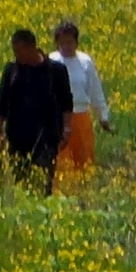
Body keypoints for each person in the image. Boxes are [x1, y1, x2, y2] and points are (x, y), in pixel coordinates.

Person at [0, 27, 71, 186]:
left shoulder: (56, 71)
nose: (18, 56)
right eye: (15, 52)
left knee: (44, 183)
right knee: (20, 183)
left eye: (20, 52)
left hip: (47, 137)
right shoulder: (12, 71)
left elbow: (66, 103)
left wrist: (67, 131)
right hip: (17, 138)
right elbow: (1, 103)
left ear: (32, 47)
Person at [50, 19, 109, 179]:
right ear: (57, 43)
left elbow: (95, 89)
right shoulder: (52, 62)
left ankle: (83, 196)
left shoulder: (85, 62)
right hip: (58, 118)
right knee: (62, 161)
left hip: (81, 116)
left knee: (83, 159)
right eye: (63, 43)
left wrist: (103, 116)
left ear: (76, 42)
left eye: (70, 42)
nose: (67, 47)